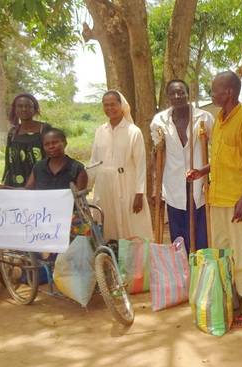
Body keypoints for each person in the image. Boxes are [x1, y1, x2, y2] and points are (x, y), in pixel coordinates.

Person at [187, 71, 242, 328]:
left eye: (215, 90)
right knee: (222, 255)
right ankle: (228, 301)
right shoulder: (219, 120)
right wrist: (202, 171)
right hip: (217, 199)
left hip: (237, 202)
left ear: (229, 92)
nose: (212, 94)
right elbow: (223, 160)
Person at [151, 79, 213, 253]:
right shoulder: (159, 121)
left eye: (181, 92)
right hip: (173, 184)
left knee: (201, 236)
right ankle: (181, 274)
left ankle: (201, 273)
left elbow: (217, 150)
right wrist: (156, 185)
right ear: (167, 96)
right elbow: (157, 154)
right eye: (173, 93)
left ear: (188, 94)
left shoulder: (204, 118)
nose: (177, 96)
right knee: (178, 238)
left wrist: (206, 171)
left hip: (198, 183)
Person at [89, 90, 153, 241]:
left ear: (121, 105)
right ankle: (111, 258)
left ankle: (134, 260)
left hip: (128, 184)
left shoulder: (133, 131)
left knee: (132, 225)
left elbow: (140, 164)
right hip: (105, 186)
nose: (110, 108)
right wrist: (86, 185)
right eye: (106, 105)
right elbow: (94, 161)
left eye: (113, 104)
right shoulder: (100, 131)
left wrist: (139, 193)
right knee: (108, 224)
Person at [2, 93, 51, 187]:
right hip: (16, 180)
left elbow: (53, 154)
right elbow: (9, 161)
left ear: (35, 109)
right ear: (15, 109)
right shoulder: (13, 132)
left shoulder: (44, 129)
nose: (24, 109)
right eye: (20, 106)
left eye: (28, 106)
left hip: (41, 179)